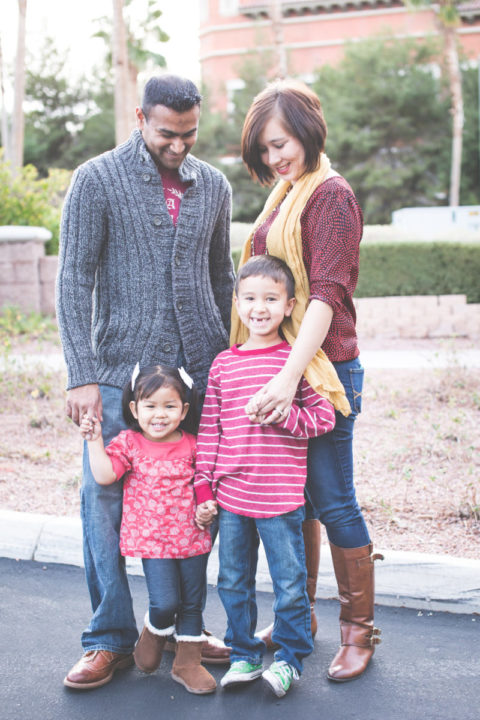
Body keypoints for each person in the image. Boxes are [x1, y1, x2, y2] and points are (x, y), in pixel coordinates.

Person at [56, 74, 234, 690]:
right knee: (102, 504)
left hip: (199, 374)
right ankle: (109, 638)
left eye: (190, 133)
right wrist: (81, 373)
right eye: (167, 133)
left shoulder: (213, 184)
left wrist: (229, 365)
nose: (180, 145)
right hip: (115, 374)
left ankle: (185, 626)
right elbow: (73, 281)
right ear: (140, 117)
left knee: (199, 501)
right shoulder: (96, 179)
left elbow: (223, 279)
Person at [235, 79, 384, 683]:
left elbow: (325, 296)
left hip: (321, 372)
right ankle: (305, 618)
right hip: (284, 367)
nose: (274, 158)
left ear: (308, 130)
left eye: (281, 143)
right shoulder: (285, 193)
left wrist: (287, 377)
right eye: (265, 151)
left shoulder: (330, 195)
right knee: (297, 503)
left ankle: (360, 631)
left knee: (331, 497)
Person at [194, 255, 336, 698]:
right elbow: (209, 432)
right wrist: (204, 488)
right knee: (233, 580)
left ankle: (290, 660)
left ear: (290, 305)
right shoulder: (222, 365)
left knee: (289, 584)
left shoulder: (297, 362)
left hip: (280, 499)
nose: (260, 307)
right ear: (237, 304)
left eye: (271, 299)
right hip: (231, 497)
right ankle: (244, 653)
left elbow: (324, 418)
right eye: (251, 298)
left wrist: (284, 414)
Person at [73, 365, 217, 695]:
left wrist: (206, 505)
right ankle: (154, 632)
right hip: (155, 543)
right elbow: (106, 475)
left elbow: (205, 481)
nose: (159, 415)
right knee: (165, 602)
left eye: (169, 406)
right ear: (135, 409)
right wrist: (95, 441)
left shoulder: (194, 444)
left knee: (193, 603)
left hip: (192, 537)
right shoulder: (131, 443)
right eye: (150, 406)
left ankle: (187, 664)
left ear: (184, 410)